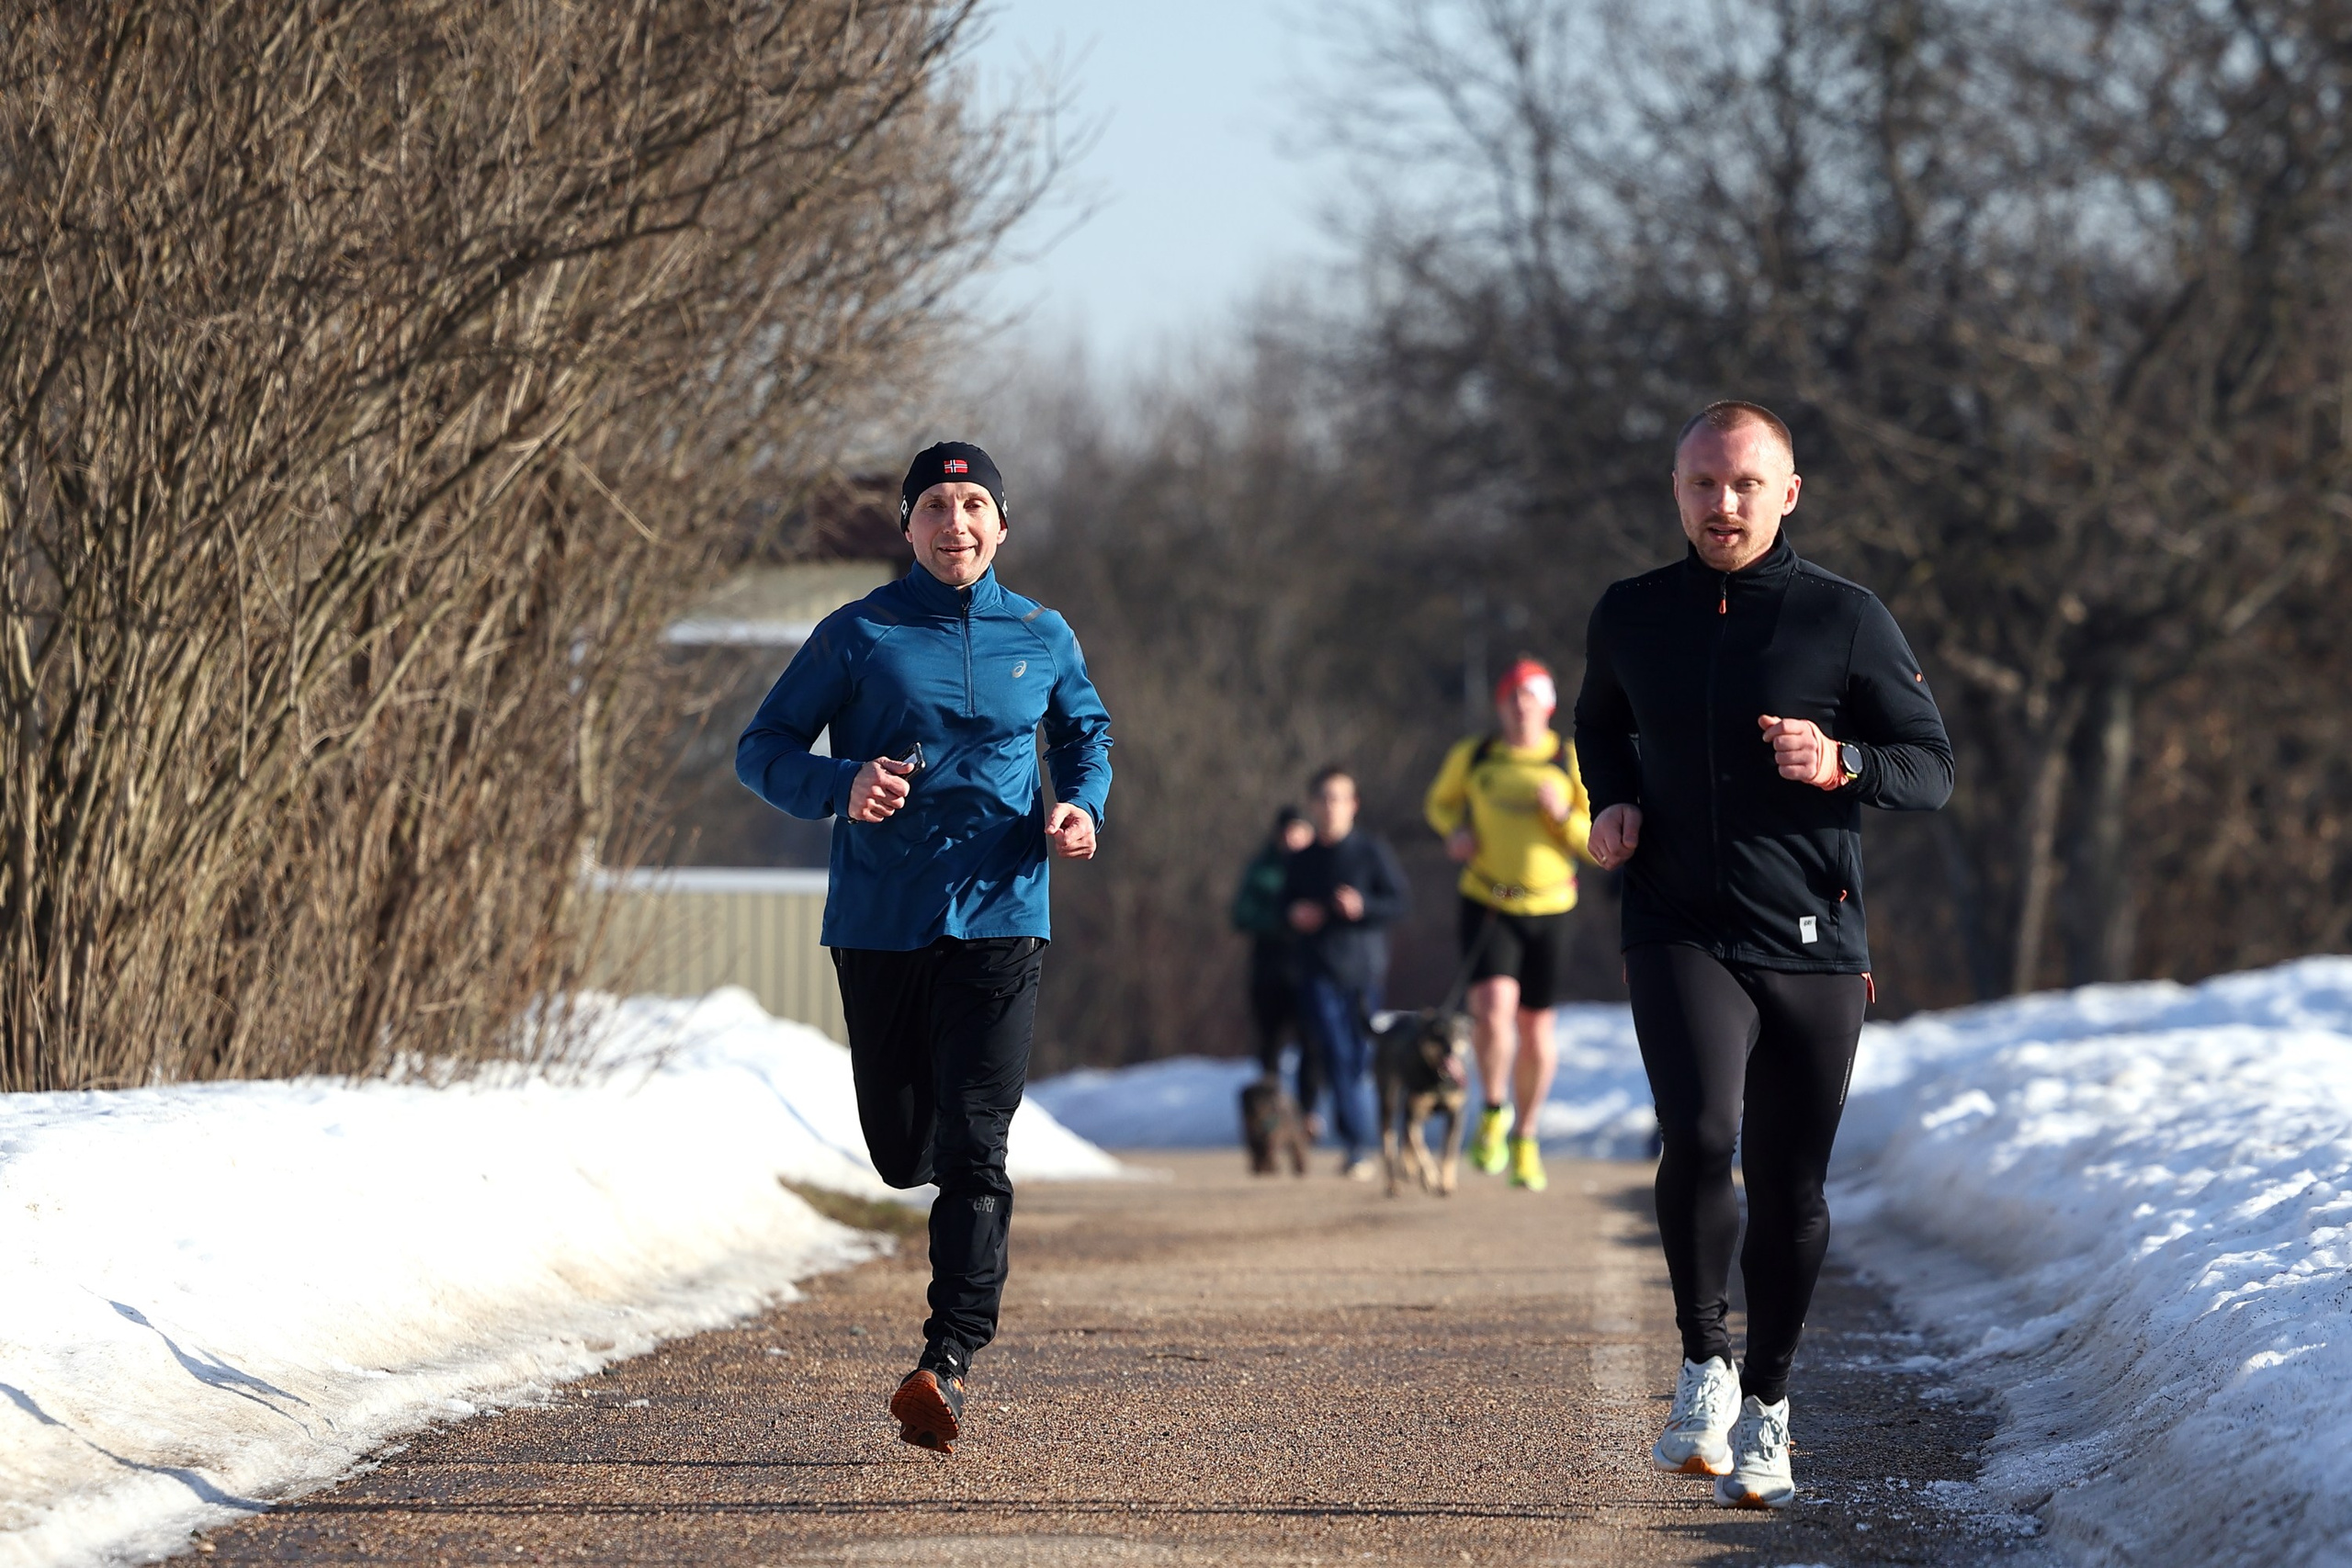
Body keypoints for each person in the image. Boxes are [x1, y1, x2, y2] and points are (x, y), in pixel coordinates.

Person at [1574, 400, 1951, 1509]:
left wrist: (1840, 762)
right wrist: (1614, 804)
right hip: (1677, 921)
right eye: (1701, 484)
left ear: (1786, 493)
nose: (1721, 504)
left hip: (1812, 938)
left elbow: (1928, 768)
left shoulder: (1843, 617)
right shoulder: (1631, 613)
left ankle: (1771, 1405)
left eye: (1744, 485)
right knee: (1695, 1135)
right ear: (1676, 490)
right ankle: (1703, 1366)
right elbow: (1599, 723)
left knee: (1789, 1187)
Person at [734, 441, 1112, 1456]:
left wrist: (1079, 804)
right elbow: (762, 747)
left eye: (974, 503)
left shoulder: (1042, 632)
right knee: (906, 1152)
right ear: (907, 527)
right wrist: (840, 784)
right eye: (936, 506)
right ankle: (936, 1226)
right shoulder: (858, 634)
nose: (956, 523)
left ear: (1002, 525)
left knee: (977, 1148)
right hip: (882, 924)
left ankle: (945, 1358)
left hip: (1001, 916)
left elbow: (1085, 735)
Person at [1422, 657, 1596, 1193]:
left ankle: (1526, 1135)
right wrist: (1455, 832)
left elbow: (1596, 841)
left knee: (1535, 1027)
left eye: (1530, 699)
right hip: (1488, 899)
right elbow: (1439, 804)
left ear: (1547, 707)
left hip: (1551, 908)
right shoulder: (1475, 757)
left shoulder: (1572, 761)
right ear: (1500, 706)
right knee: (1492, 1011)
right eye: (1511, 699)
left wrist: (1563, 816)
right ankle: (1493, 1110)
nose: (1520, 709)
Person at [1282, 767, 1409, 1179]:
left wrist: (1363, 907)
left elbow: (1400, 903)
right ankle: (1357, 1144)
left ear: (1353, 805)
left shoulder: (1371, 851)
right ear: (1313, 804)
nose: (1331, 806)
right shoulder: (1302, 860)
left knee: (1355, 1057)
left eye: (1340, 798)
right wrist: (1295, 914)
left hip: (1363, 970)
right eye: (1324, 797)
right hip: (1317, 969)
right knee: (1335, 1050)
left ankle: (1358, 1132)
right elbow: (1280, 908)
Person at [1229, 806, 1324, 1130]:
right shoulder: (1262, 869)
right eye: (1287, 832)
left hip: (1311, 967)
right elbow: (1241, 914)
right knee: (1269, 1044)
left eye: (1299, 831)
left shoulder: (1320, 865)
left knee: (1311, 1042)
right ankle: (1269, 1115)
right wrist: (1285, 919)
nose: (1292, 839)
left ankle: (1308, 1112)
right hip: (1269, 969)